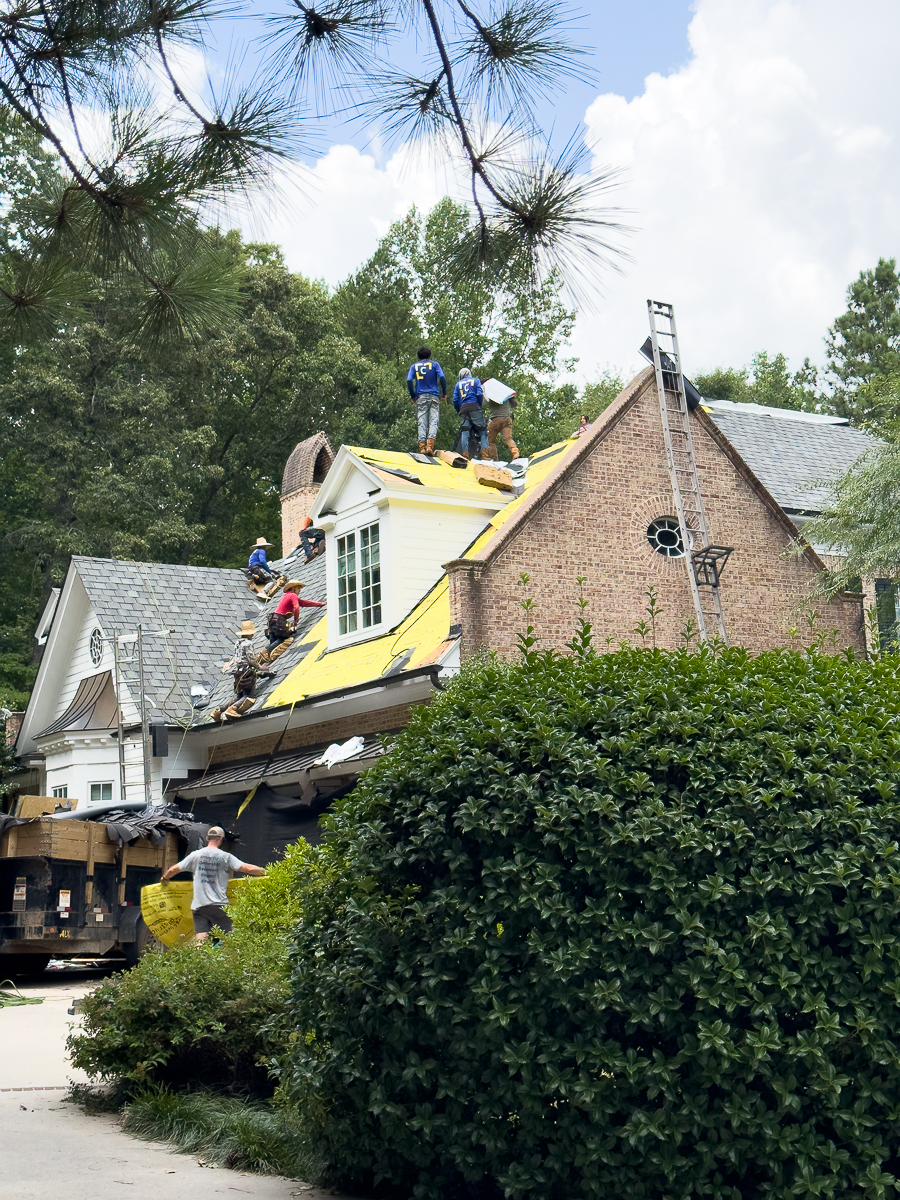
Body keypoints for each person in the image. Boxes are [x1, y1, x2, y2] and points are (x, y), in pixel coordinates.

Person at [160, 825, 265, 943]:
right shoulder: (226, 857)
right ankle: (223, 959)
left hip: (199, 906)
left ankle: (199, 959)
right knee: (226, 939)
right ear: (221, 839)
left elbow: (174, 869)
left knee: (201, 939)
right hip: (219, 905)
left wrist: (165, 877)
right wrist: (266, 872)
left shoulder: (195, 855)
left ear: (207, 838)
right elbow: (248, 869)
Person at [211, 620, 268, 722]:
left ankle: (218, 711)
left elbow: (235, 658)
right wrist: (260, 667)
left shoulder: (238, 642)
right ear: (250, 633)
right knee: (247, 695)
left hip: (238, 672)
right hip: (246, 672)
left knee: (238, 696)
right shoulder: (248, 643)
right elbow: (250, 658)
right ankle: (232, 709)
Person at [259, 579, 325, 664]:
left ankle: (262, 658)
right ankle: (266, 650)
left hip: (273, 620)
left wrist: (319, 604)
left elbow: (304, 603)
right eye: (298, 589)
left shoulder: (288, 596)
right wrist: (295, 620)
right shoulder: (293, 595)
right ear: (293, 588)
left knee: (277, 642)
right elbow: (296, 607)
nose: (299, 591)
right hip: (279, 620)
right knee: (286, 637)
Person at [407, 346, 446, 455]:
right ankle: (430, 445)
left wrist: (413, 395)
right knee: (434, 420)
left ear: (418, 357)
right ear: (429, 356)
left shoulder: (414, 366)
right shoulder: (435, 365)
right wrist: (444, 393)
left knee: (422, 421)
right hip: (433, 395)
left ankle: (422, 447)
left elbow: (409, 380)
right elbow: (442, 377)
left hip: (421, 396)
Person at [451, 368, 488, 460]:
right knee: (483, 431)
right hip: (474, 406)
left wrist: (458, 410)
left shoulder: (458, 384)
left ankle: (465, 454)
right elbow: (480, 394)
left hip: (463, 409)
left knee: (465, 431)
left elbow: (455, 400)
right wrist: (479, 405)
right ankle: (484, 455)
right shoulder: (475, 380)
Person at [486, 385, 519, 461]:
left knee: (490, 441)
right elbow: (515, 404)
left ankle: (494, 459)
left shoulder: (492, 397)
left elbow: (484, 404)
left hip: (495, 420)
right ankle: (515, 453)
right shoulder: (506, 397)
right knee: (508, 439)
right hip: (507, 419)